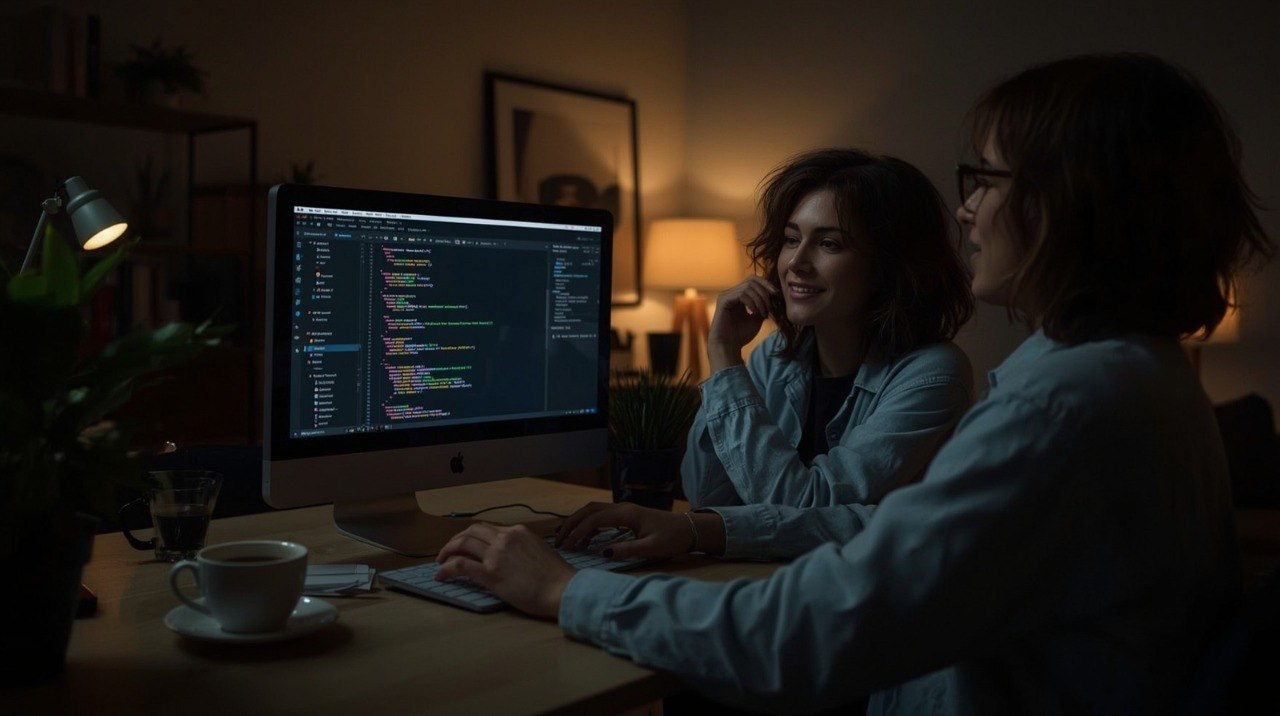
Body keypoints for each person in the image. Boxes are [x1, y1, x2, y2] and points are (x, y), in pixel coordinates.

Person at [436, 53, 1273, 713]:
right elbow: (868, 524)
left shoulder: (1061, 404)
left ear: (1071, 201)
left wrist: (567, 590)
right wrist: (699, 532)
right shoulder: (1127, 375)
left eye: (985, 180)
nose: (969, 211)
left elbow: (804, 634)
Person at [681, 148, 975, 512]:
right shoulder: (774, 358)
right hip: (775, 569)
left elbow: (807, 503)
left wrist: (726, 362)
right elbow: (707, 494)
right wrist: (725, 355)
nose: (796, 263)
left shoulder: (932, 376)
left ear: (888, 266)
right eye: (791, 239)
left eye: (828, 244)